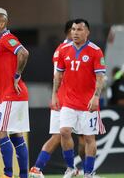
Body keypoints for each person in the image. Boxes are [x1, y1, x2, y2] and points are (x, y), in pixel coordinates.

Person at [29, 20, 86, 178]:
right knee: (84, 136)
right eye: (76, 30)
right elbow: (61, 75)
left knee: (57, 136)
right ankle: (84, 170)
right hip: (71, 99)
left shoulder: (59, 49)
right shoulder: (71, 49)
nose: (78, 33)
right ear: (70, 32)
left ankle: (37, 168)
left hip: (59, 98)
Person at [52, 19, 106, 178]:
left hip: (88, 103)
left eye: (79, 29)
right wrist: (55, 94)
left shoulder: (95, 51)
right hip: (68, 101)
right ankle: (70, 168)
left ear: (87, 32)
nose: (75, 32)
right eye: (74, 29)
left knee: (89, 138)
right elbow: (58, 74)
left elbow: (100, 77)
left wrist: (96, 97)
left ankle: (89, 172)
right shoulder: (64, 50)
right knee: (64, 131)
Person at [0, 7, 30, 178]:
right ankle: (23, 176)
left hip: (13, 93)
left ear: (2, 23)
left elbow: (24, 53)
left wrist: (17, 75)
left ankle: (8, 174)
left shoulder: (7, 38)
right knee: (15, 135)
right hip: (9, 95)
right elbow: (1, 68)